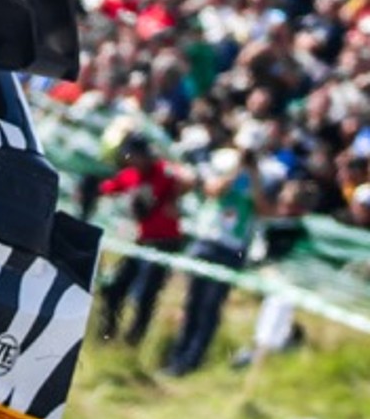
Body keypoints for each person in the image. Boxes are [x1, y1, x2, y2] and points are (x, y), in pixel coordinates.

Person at [162, 148, 272, 376]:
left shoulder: (258, 180)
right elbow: (214, 190)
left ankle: (192, 360)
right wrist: (236, 170)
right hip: (208, 242)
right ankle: (177, 355)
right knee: (192, 302)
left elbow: (263, 209)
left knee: (209, 307)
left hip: (232, 250)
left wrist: (253, 175)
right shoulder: (224, 165)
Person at [97, 134, 185, 346]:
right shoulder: (131, 175)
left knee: (146, 294)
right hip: (141, 241)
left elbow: (185, 180)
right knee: (114, 288)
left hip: (164, 242)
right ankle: (107, 333)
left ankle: (133, 341)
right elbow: (108, 187)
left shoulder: (164, 172)